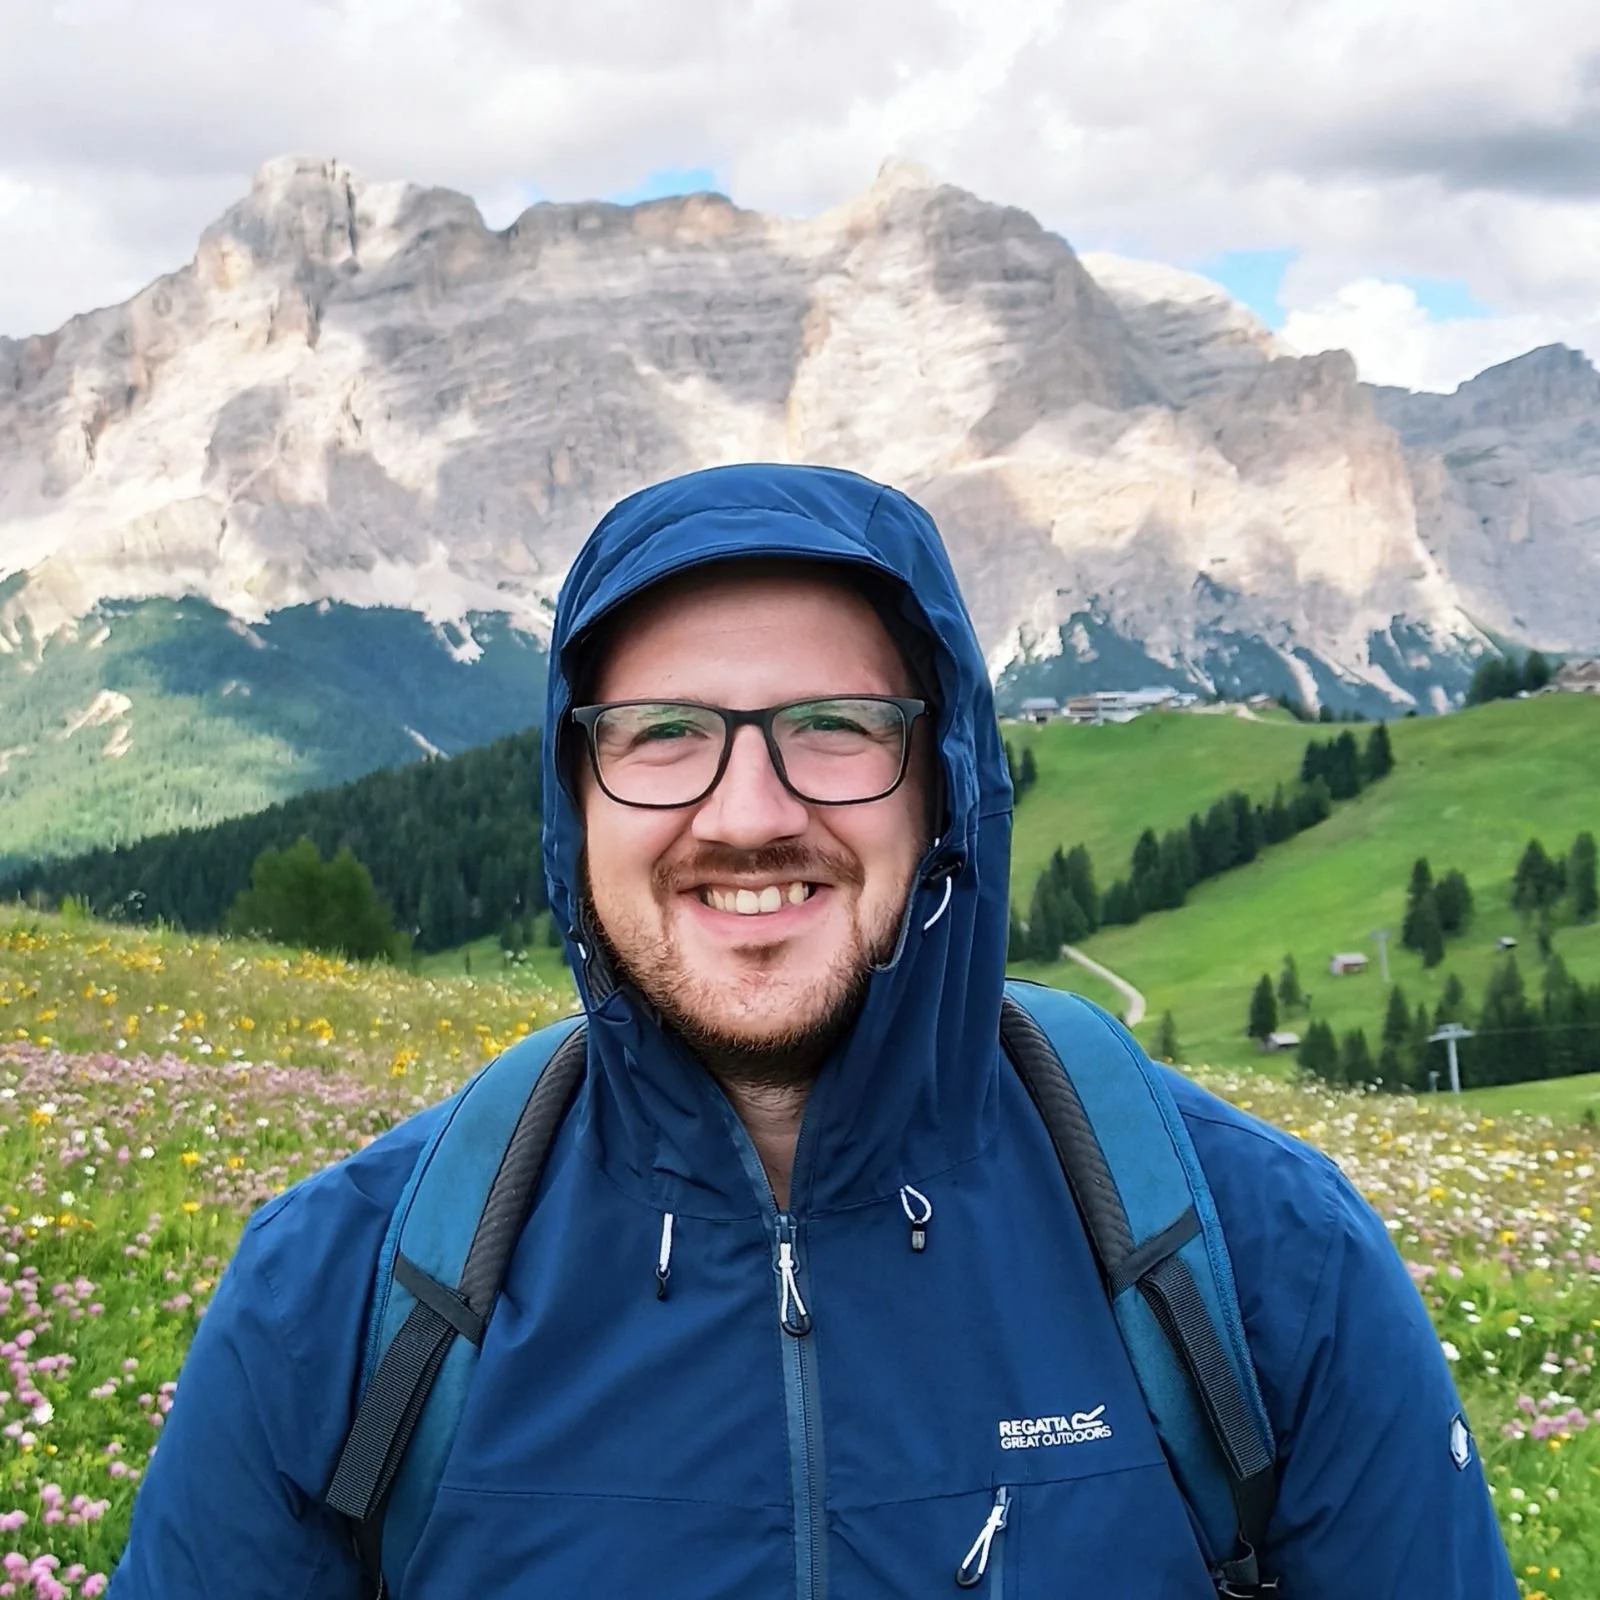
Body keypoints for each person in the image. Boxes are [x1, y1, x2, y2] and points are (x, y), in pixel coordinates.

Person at [109, 463, 1515, 1598]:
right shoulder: (345, 1290)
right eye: (661, 733)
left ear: (943, 788)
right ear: (573, 802)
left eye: (834, 727)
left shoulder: (1263, 1257)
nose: (747, 814)